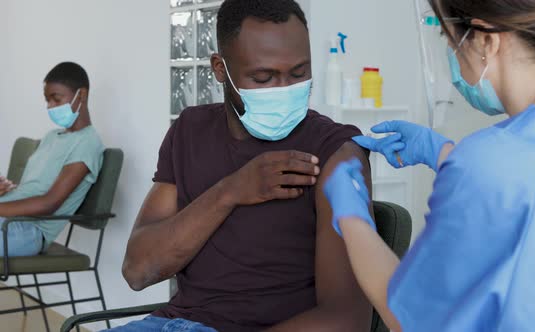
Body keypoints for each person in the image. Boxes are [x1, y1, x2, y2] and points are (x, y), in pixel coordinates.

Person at [324, 0, 535, 331]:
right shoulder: (503, 163)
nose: (454, 61)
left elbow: (410, 318)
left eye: (451, 43)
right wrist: (444, 153)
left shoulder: (489, 163)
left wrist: (353, 218)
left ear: (487, 41)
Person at [118, 0, 373, 331]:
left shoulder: (335, 152)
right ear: (220, 69)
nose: (285, 90)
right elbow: (138, 270)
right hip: (173, 323)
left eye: (299, 73)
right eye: (264, 77)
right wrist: (231, 190)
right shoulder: (189, 131)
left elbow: (346, 320)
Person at [0, 62, 104, 257]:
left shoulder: (88, 143)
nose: (50, 106)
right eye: (47, 100)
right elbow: (35, 186)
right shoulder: (51, 137)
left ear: (81, 95)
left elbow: (49, 203)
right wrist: (8, 188)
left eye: (56, 99)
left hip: (29, 231)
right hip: (9, 220)